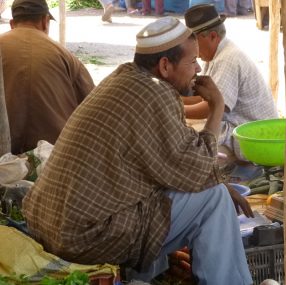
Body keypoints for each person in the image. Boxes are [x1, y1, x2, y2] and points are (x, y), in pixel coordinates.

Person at [22, 16, 254, 285]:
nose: (198, 68)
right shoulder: (156, 95)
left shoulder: (124, 78)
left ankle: (148, 277)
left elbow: (170, 166)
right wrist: (217, 105)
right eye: (192, 62)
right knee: (214, 199)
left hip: (49, 222)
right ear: (165, 65)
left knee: (165, 190)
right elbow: (198, 167)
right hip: (83, 236)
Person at [184, 4, 278, 162]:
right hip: (240, 127)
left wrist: (176, 109)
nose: (193, 48)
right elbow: (204, 97)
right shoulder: (215, 53)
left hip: (253, 136)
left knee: (193, 149)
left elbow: (212, 107)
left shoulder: (228, 59)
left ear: (213, 36)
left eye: (195, 41)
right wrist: (174, 100)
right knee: (185, 132)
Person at [0, 0, 94, 154]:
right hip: (53, 154)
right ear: (45, 21)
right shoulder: (64, 55)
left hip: (5, 154)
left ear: (12, 23)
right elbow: (92, 104)